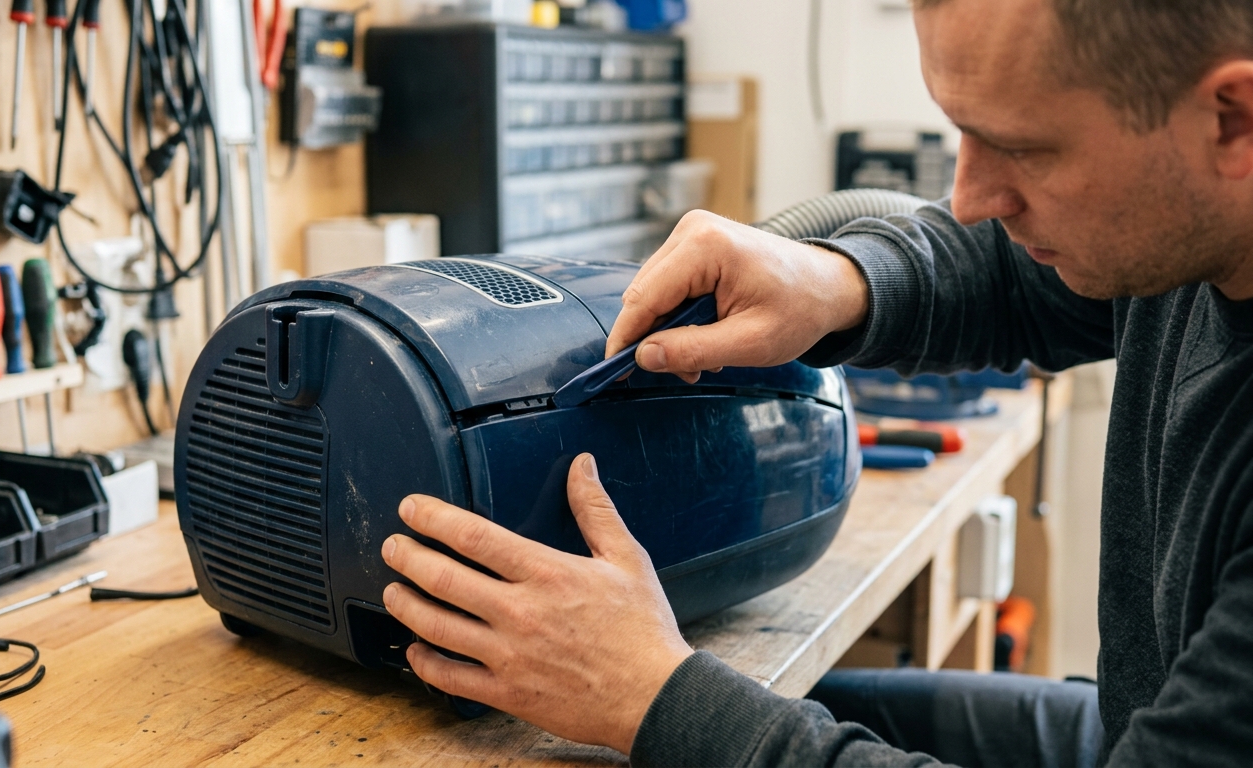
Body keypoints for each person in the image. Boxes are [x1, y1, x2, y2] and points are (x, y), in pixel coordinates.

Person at [376, 0, 1253, 764]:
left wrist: (651, 698)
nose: (970, 195)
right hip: (1134, 722)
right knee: (800, 698)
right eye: (965, 131)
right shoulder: (1191, 227)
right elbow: (1022, 280)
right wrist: (834, 280)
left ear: (1233, 119)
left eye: (1024, 147)